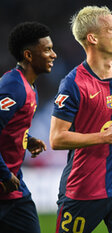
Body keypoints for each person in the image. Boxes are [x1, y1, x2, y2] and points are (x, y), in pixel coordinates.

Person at [49, 6, 112, 233]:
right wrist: (103, 137)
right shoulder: (72, 83)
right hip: (81, 191)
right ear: (92, 38)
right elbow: (56, 138)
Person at [0, 22, 56, 233]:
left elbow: (9, 127)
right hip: (6, 182)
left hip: (13, 192)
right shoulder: (13, 87)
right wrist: (4, 174)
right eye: (48, 49)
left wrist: (27, 138)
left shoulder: (29, 87)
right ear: (29, 55)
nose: (54, 55)